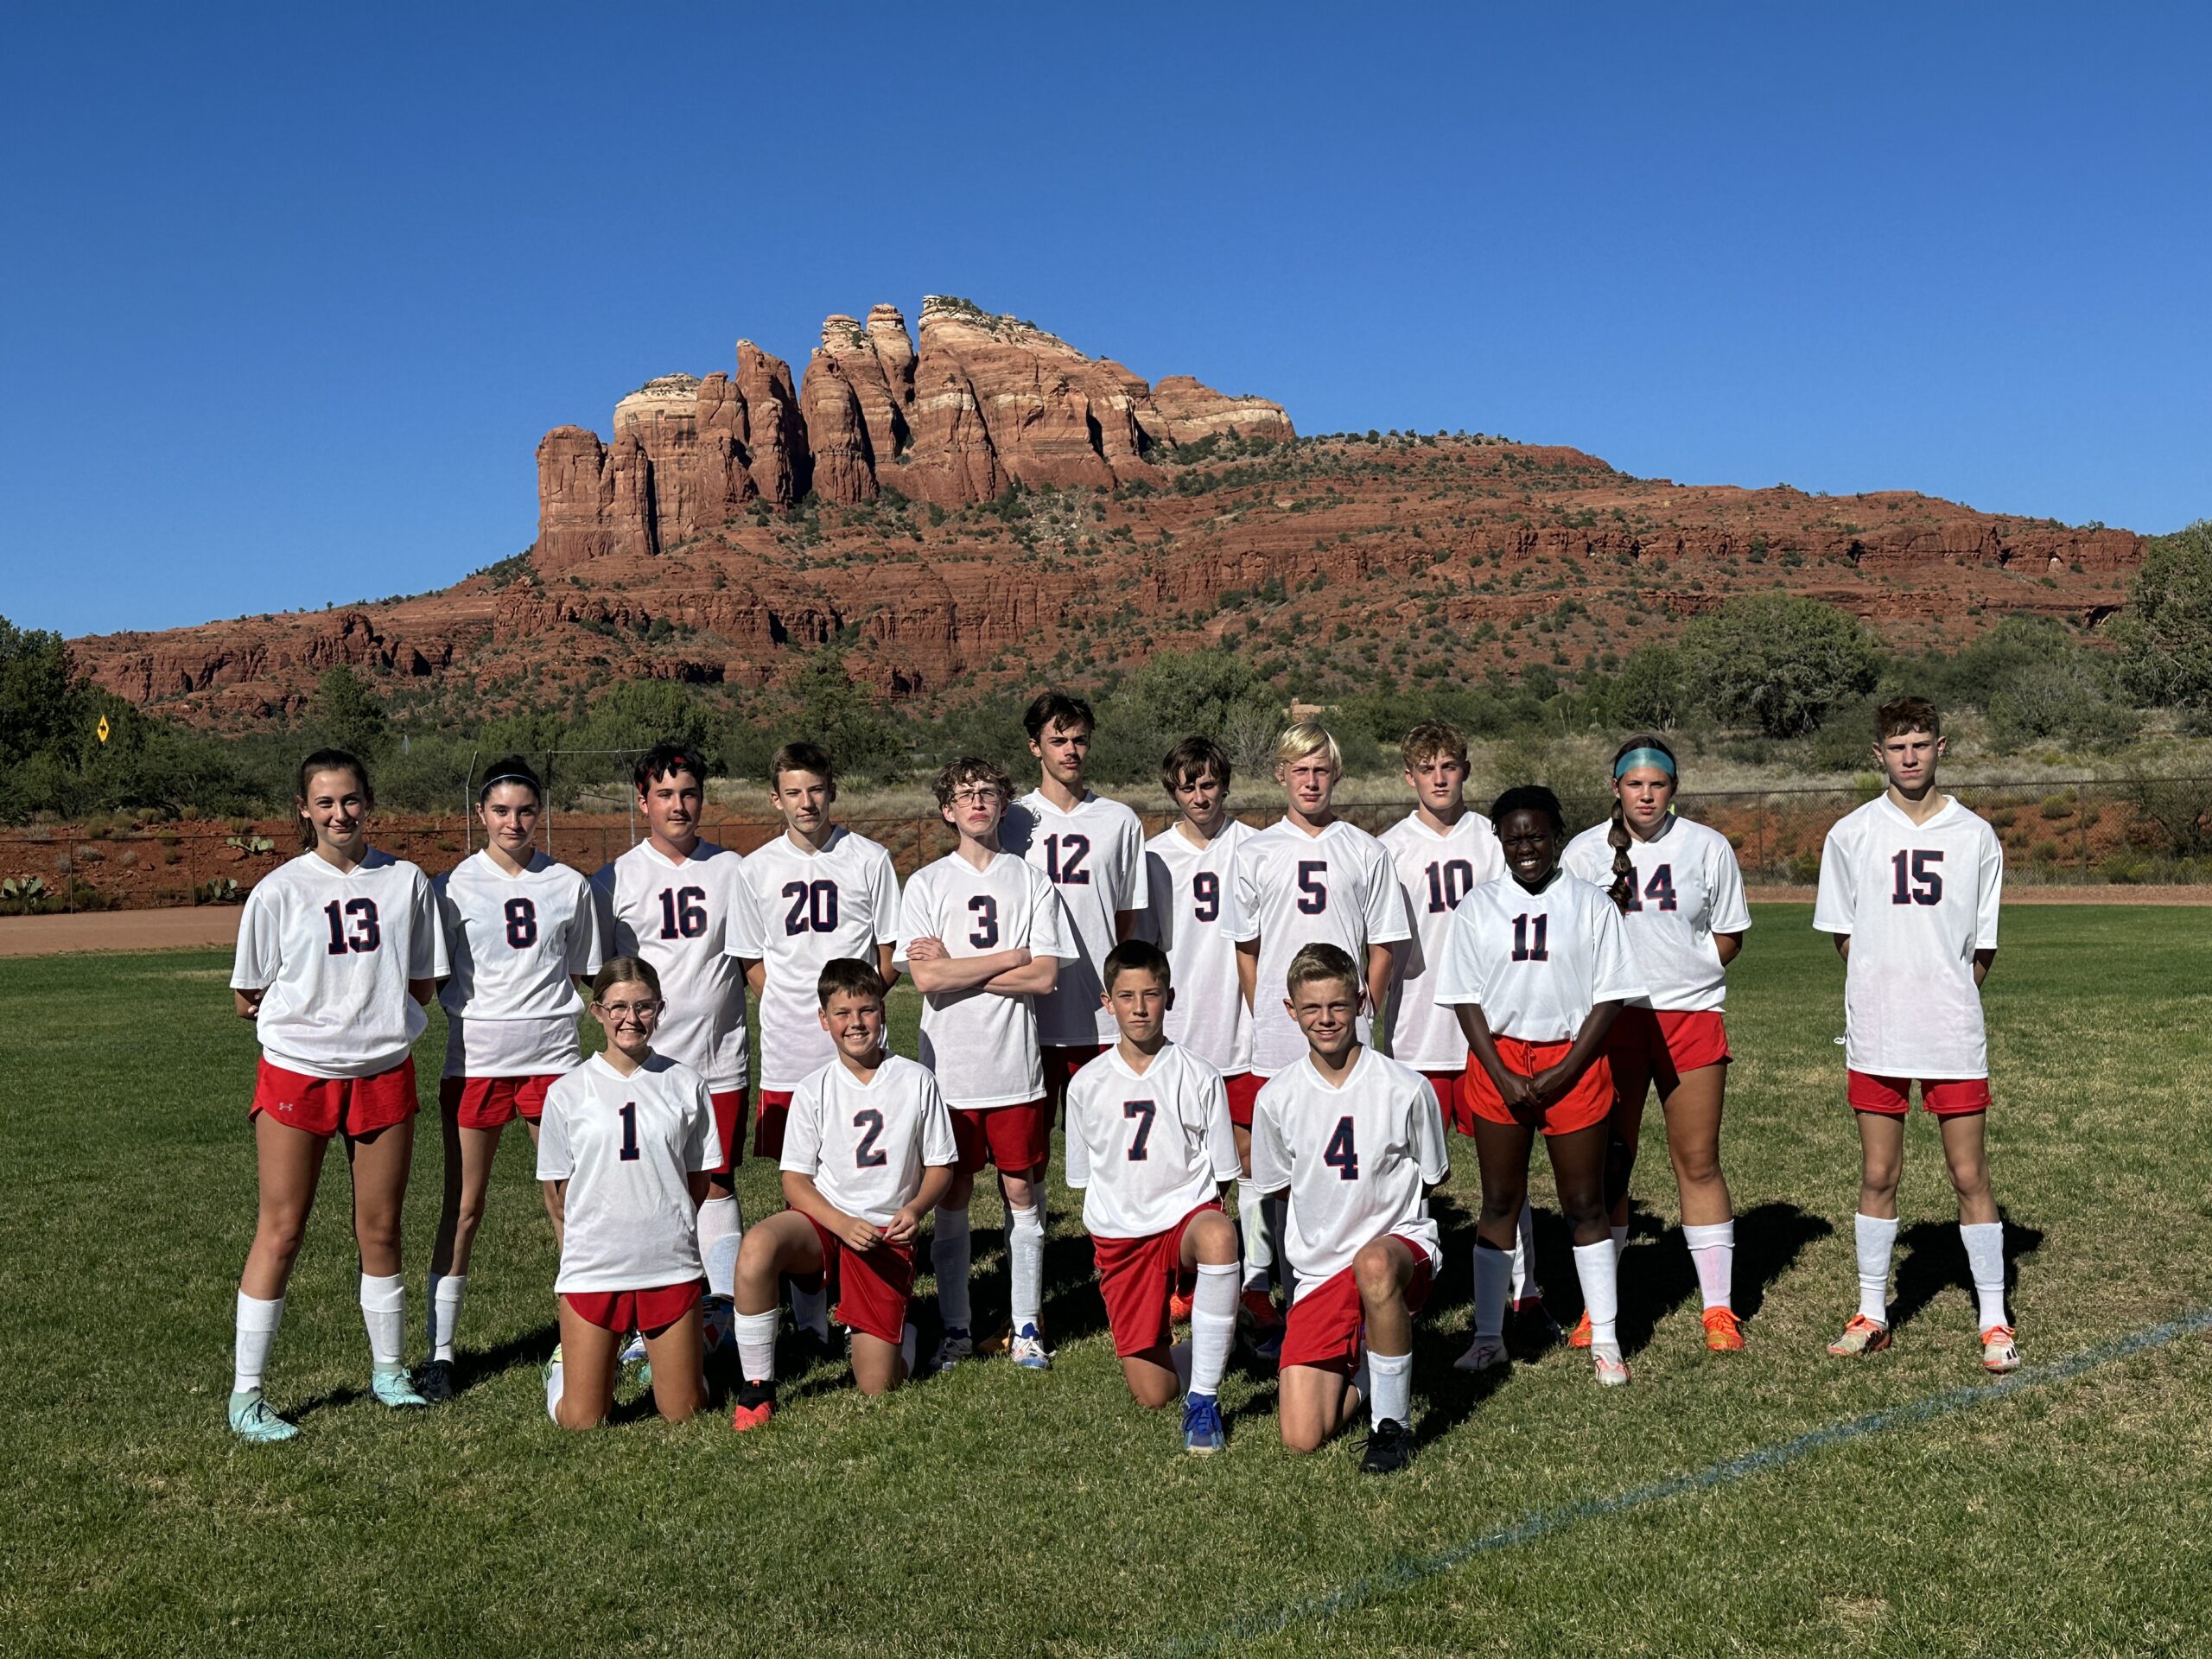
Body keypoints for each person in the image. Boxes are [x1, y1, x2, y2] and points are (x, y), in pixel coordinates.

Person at [226, 748, 448, 1440]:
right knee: (283, 1228)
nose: (339, 813)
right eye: (324, 802)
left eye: (350, 800)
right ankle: (247, 1395)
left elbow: (423, 980)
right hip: (299, 1073)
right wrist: (315, 1028)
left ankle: (389, 1372)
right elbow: (246, 995)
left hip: (382, 1071)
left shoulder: (406, 881)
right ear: (303, 809)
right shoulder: (280, 889)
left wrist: (380, 1027)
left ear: (368, 802)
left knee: (380, 1229)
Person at [1814, 697, 2015, 1372]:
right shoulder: (1850, 834)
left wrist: (1944, 993)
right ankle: (1874, 1313)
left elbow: (1981, 949)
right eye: (1897, 745)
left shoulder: (1976, 835)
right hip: (1878, 1029)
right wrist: (1886, 990)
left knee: (1969, 1172)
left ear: (1942, 748)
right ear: (1878, 754)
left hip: (1952, 1030)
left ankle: (1993, 1319)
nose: (1910, 756)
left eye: (1921, 744)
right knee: (1878, 1172)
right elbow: (1846, 935)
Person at [1434, 785, 1645, 1387]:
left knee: (1584, 1204)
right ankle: (1487, 1337)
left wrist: (1566, 1069)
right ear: (1499, 839)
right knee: (1500, 1201)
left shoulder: (1590, 904)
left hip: (1571, 1061)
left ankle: (1604, 1337)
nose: (1526, 846)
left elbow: (1610, 997)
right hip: (1498, 1062)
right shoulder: (1478, 906)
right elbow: (1465, 998)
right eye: (1513, 836)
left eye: (1537, 834)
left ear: (1556, 835)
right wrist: (1500, 1072)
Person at [421, 757, 604, 1401]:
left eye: (525, 811)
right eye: (501, 811)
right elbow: (432, 976)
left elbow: (585, 974)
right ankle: (440, 1352)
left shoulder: (568, 885)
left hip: (554, 1060)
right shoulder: (452, 888)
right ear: (480, 815)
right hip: (476, 1062)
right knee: (465, 1208)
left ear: (540, 813)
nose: (514, 822)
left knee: (567, 1201)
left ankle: (584, 1332)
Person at [1562, 735, 1752, 1352]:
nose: (1646, 795)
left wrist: (1687, 974)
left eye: (1658, 784)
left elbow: (1728, 934)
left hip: (1688, 1018)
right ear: (1615, 787)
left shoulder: (1707, 845)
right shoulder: (1584, 851)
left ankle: (1719, 1309)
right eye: (1634, 783)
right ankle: (1600, 1307)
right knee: (1611, 1162)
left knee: (1697, 1160)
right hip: (1611, 1021)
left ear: (1674, 788)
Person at [1231, 721, 1412, 1321]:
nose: (1311, 781)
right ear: (1280, 774)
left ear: (1336, 774)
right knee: (1276, 1167)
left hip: (1346, 1032)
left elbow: (1385, 942)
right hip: (1281, 1037)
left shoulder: (1365, 848)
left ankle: (1357, 1290)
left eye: (1321, 770)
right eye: (1299, 770)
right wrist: (1272, 1015)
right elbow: (1248, 948)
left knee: (1347, 1159)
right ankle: (1271, 1286)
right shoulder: (1254, 851)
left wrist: (1367, 1005)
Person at [1376, 721, 1552, 1334]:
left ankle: (1525, 1291)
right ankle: (1409, 1286)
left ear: (1466, 770)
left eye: (1450, 765)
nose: (1440, 777)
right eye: (1427, 768)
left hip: (1490, 1033)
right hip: (1417, 1032)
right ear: (1409, 777)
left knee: (1504, 1175)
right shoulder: (1389, 847)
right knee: (1406, 1177)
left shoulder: (1490, 838)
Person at [729, 959, 957, 1429]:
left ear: (882, 1011)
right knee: (757, 1247)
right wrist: (839, 1224)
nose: (856, 1023)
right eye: (842, 1013)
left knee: (878, 1385)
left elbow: (941, 1166)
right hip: (828, 1225)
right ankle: (756, 1386)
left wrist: (915, 1207)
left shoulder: (916, 1080)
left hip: (882, 1234)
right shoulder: (813, 1089)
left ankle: (908, 1322)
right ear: (823, 1019)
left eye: (867, 1011)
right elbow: (794, 1181)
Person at [897, 756, 1069, 1371]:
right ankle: (958, 1327)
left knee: (1022, 1191)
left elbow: (1045, 976)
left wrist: (961, 970)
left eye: (988, 792)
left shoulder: (1029, 880)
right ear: (947, 810)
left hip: (1015, 1069)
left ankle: (1025, 1325)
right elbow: (925, 978)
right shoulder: (926, 884)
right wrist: (1009, 956)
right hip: (950, 1072)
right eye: (964, 794)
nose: (977, 802)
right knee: (953, 1194)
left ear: (1003, 804)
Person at [1251, 944, 1449, 1473]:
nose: (1326, 1019)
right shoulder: (1276, 1097)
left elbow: (1434, 1177)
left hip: (1397, 1251)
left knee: (1375, 1264)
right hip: (1319, 1273)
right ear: (1291, 1011)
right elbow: (1278, 1189)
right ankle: (1371, 1363)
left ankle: (1392, 1425)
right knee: (1301, 1435)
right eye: (1311, 1008)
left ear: (1361, 1001)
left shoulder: (1406, 1087)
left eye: (1338, 1005)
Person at [728, 741, 901, 1342]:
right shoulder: (754, 869)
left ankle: (863, 1297)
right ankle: (810, 1322)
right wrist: (791, 1010)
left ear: (834, 790)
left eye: (816, 789)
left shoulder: (869, 858)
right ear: (776, 798)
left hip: (857, 1049)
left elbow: (888, 956)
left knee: (864, 1165)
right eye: (794, 792)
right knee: (800, 1177)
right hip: (788, 1050)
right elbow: (752, 960)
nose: (807, 803)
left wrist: (851, 1018)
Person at [592, 741, 755, 1351]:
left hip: (718, 1058)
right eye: (664, 794)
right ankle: (648, 1315)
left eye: (688, 793)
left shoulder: (732, 869)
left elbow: (751, 958)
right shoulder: (615, 879)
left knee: (715, 1181)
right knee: (650, 1184)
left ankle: (723, 1312)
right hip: (645, 1066)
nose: (678, 805)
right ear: (643, 801)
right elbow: (600, 976)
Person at [1064, 941, 1243, 1454]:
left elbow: (1222, 1177)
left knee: (1218, 1233)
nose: (1139, 1008)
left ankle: (1204, 1400)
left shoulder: (1200, 1074)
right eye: (1126, 997)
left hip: (1183, 1220)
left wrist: (1194, 1219)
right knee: (1154, 1393)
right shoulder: (1087, 1085)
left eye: (1151, 995)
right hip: (1121, 1238)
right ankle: (1219, 1333)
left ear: (1170, 996)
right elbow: (1085, 1177)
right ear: (1106, 1001)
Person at [537, 958, 718, 1429]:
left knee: (685, 1412)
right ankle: (563, 1368)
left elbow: (697, 1182)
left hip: (669, 1261)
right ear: (597, 1012)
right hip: (594, 1267)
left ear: (660, 1009)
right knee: (582, 1421)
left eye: (643, 1007)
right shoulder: (567, 1092)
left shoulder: (686, 1084)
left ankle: (705, 1339)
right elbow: (557, 1196)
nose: (630, 1019)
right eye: (617, 1007)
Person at [1001, 691, 1147, 1139]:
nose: (1070, 751)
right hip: (1030, 1009)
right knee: (1031, 1147)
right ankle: (1031, 1215)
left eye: (1080, 740)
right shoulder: (1011, 819)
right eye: (1058, 739)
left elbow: (1125, 918)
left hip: (1098, 1011)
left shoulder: (1119, 820)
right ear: (1035, 746)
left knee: (1108, 1140)